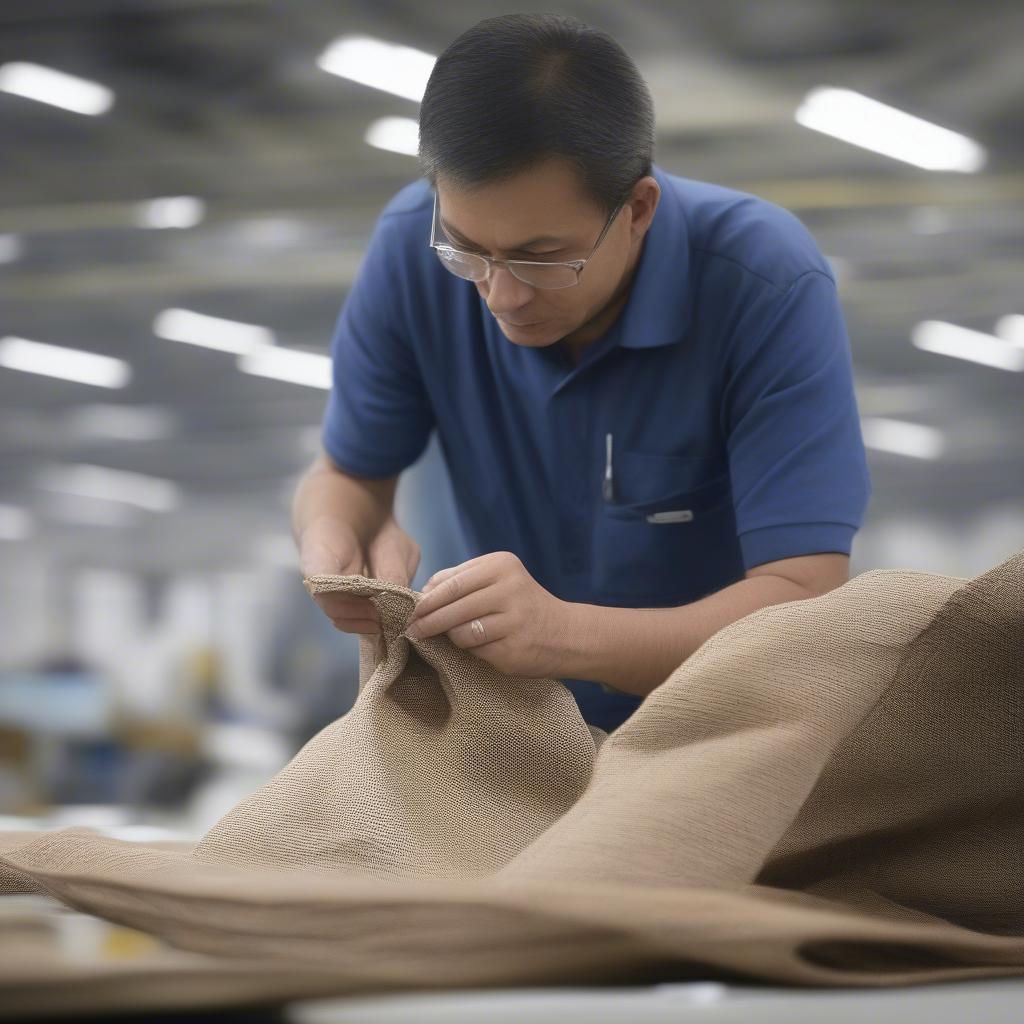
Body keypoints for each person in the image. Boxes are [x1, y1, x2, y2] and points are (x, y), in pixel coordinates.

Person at [291, 13, 871, 733]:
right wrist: (331, 538)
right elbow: (347, 476)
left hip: (727, 728)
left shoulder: (764, 282)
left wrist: (564, 636)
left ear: (638, 209)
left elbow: (803, 601)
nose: (500, 296)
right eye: (467, 251)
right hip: (525, 733)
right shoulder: (410, 250)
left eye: (542, 258)